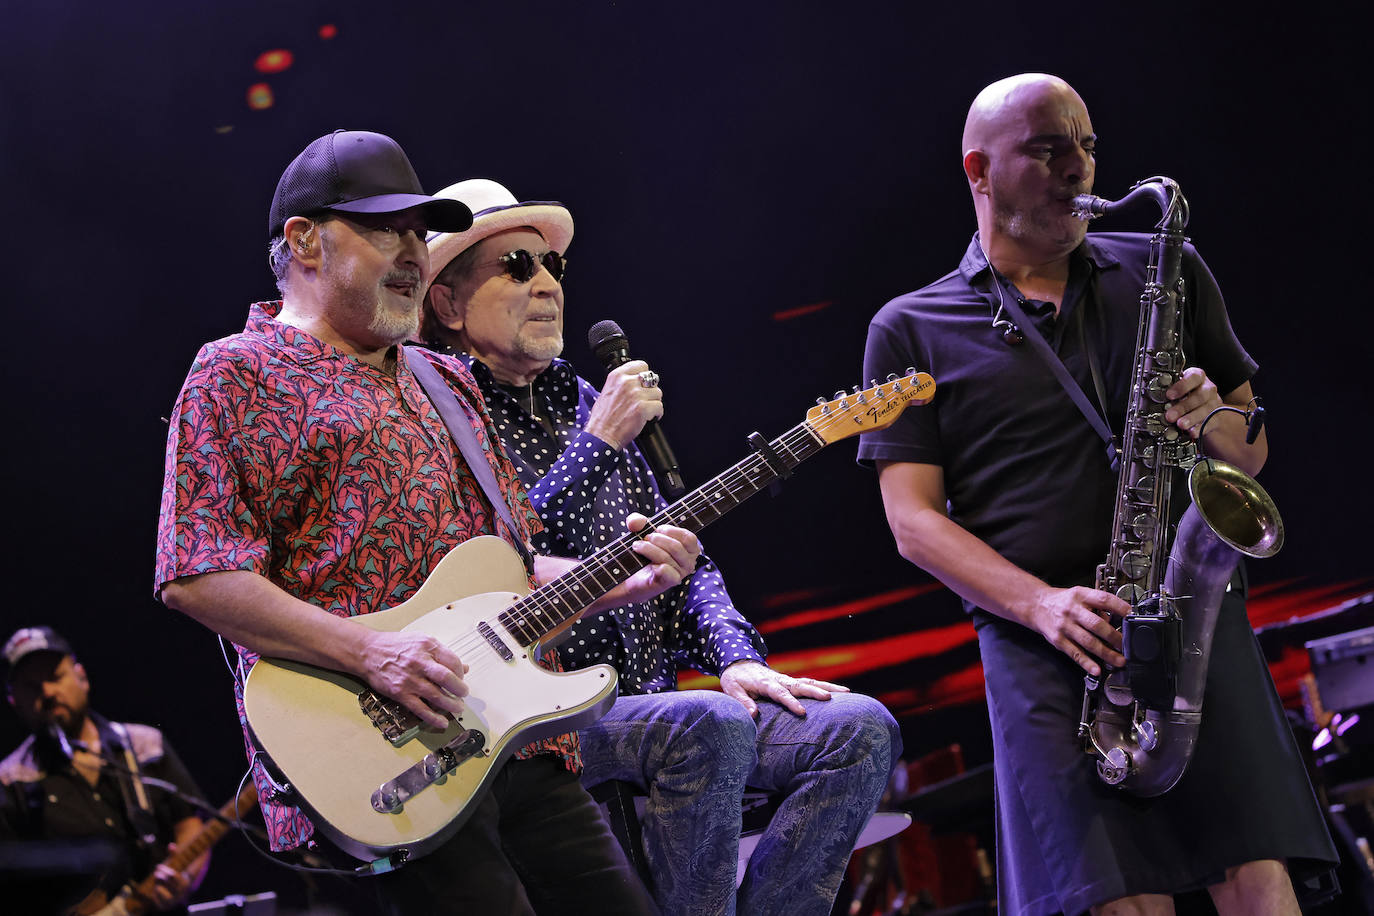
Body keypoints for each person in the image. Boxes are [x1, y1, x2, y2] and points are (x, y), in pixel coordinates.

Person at [155, 130, 704, 915]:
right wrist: (374, 655)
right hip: (385, 759)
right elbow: (197, 573)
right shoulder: (236, 372)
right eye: (386, 229)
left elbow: (503, 578)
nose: (413, 251)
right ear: (305, 240)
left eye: (420, 231)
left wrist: (620, 580)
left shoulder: (447, 380)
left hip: (517, 738)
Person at [857, 73, 1337, 916]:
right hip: (1043, 644)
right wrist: (1041, 605)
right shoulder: (909, 327)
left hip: (1191, 613)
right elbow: (912, 522)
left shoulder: (1166, 268)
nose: (1078, 168)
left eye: (1085, 146)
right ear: (979, 170)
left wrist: (1214, 420)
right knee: (1115, 896)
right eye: (1048, 150)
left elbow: (1249, 449)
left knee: (1256, 873)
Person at [419, 178, 901, 916]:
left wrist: (737, 657)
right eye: (516, 267)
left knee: (859, 731)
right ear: (448, 305)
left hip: (648, 708)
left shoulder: (585, 399)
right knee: (702, 724)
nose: (545, 282)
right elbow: (488, 561)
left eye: (552, 267)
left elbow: (685, 558)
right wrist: (596, 445)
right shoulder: (437, 414)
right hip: (532, 725)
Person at [0, 625, 210, 914]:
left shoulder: (145, 744)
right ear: (14, 702)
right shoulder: (10, 781)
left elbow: (190, 825)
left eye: (55, 677)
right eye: (31, 686)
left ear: (81, 677)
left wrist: (183, 879)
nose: (47, 692)